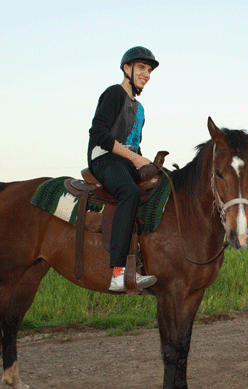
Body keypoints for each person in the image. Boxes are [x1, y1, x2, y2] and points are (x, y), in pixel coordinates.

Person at [87, 46, 159, 291]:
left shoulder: (140, 109)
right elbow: (97, 133)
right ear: (127, 69)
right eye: (142, 68)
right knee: (129, 193)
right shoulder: (113, 94)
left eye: (149, 70)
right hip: (104, 159)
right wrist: (133, 157)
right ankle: (117, 273)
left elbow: (135, 144)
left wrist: (146, 163)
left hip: (127, 162)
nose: (147, 74)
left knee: (157, 192)